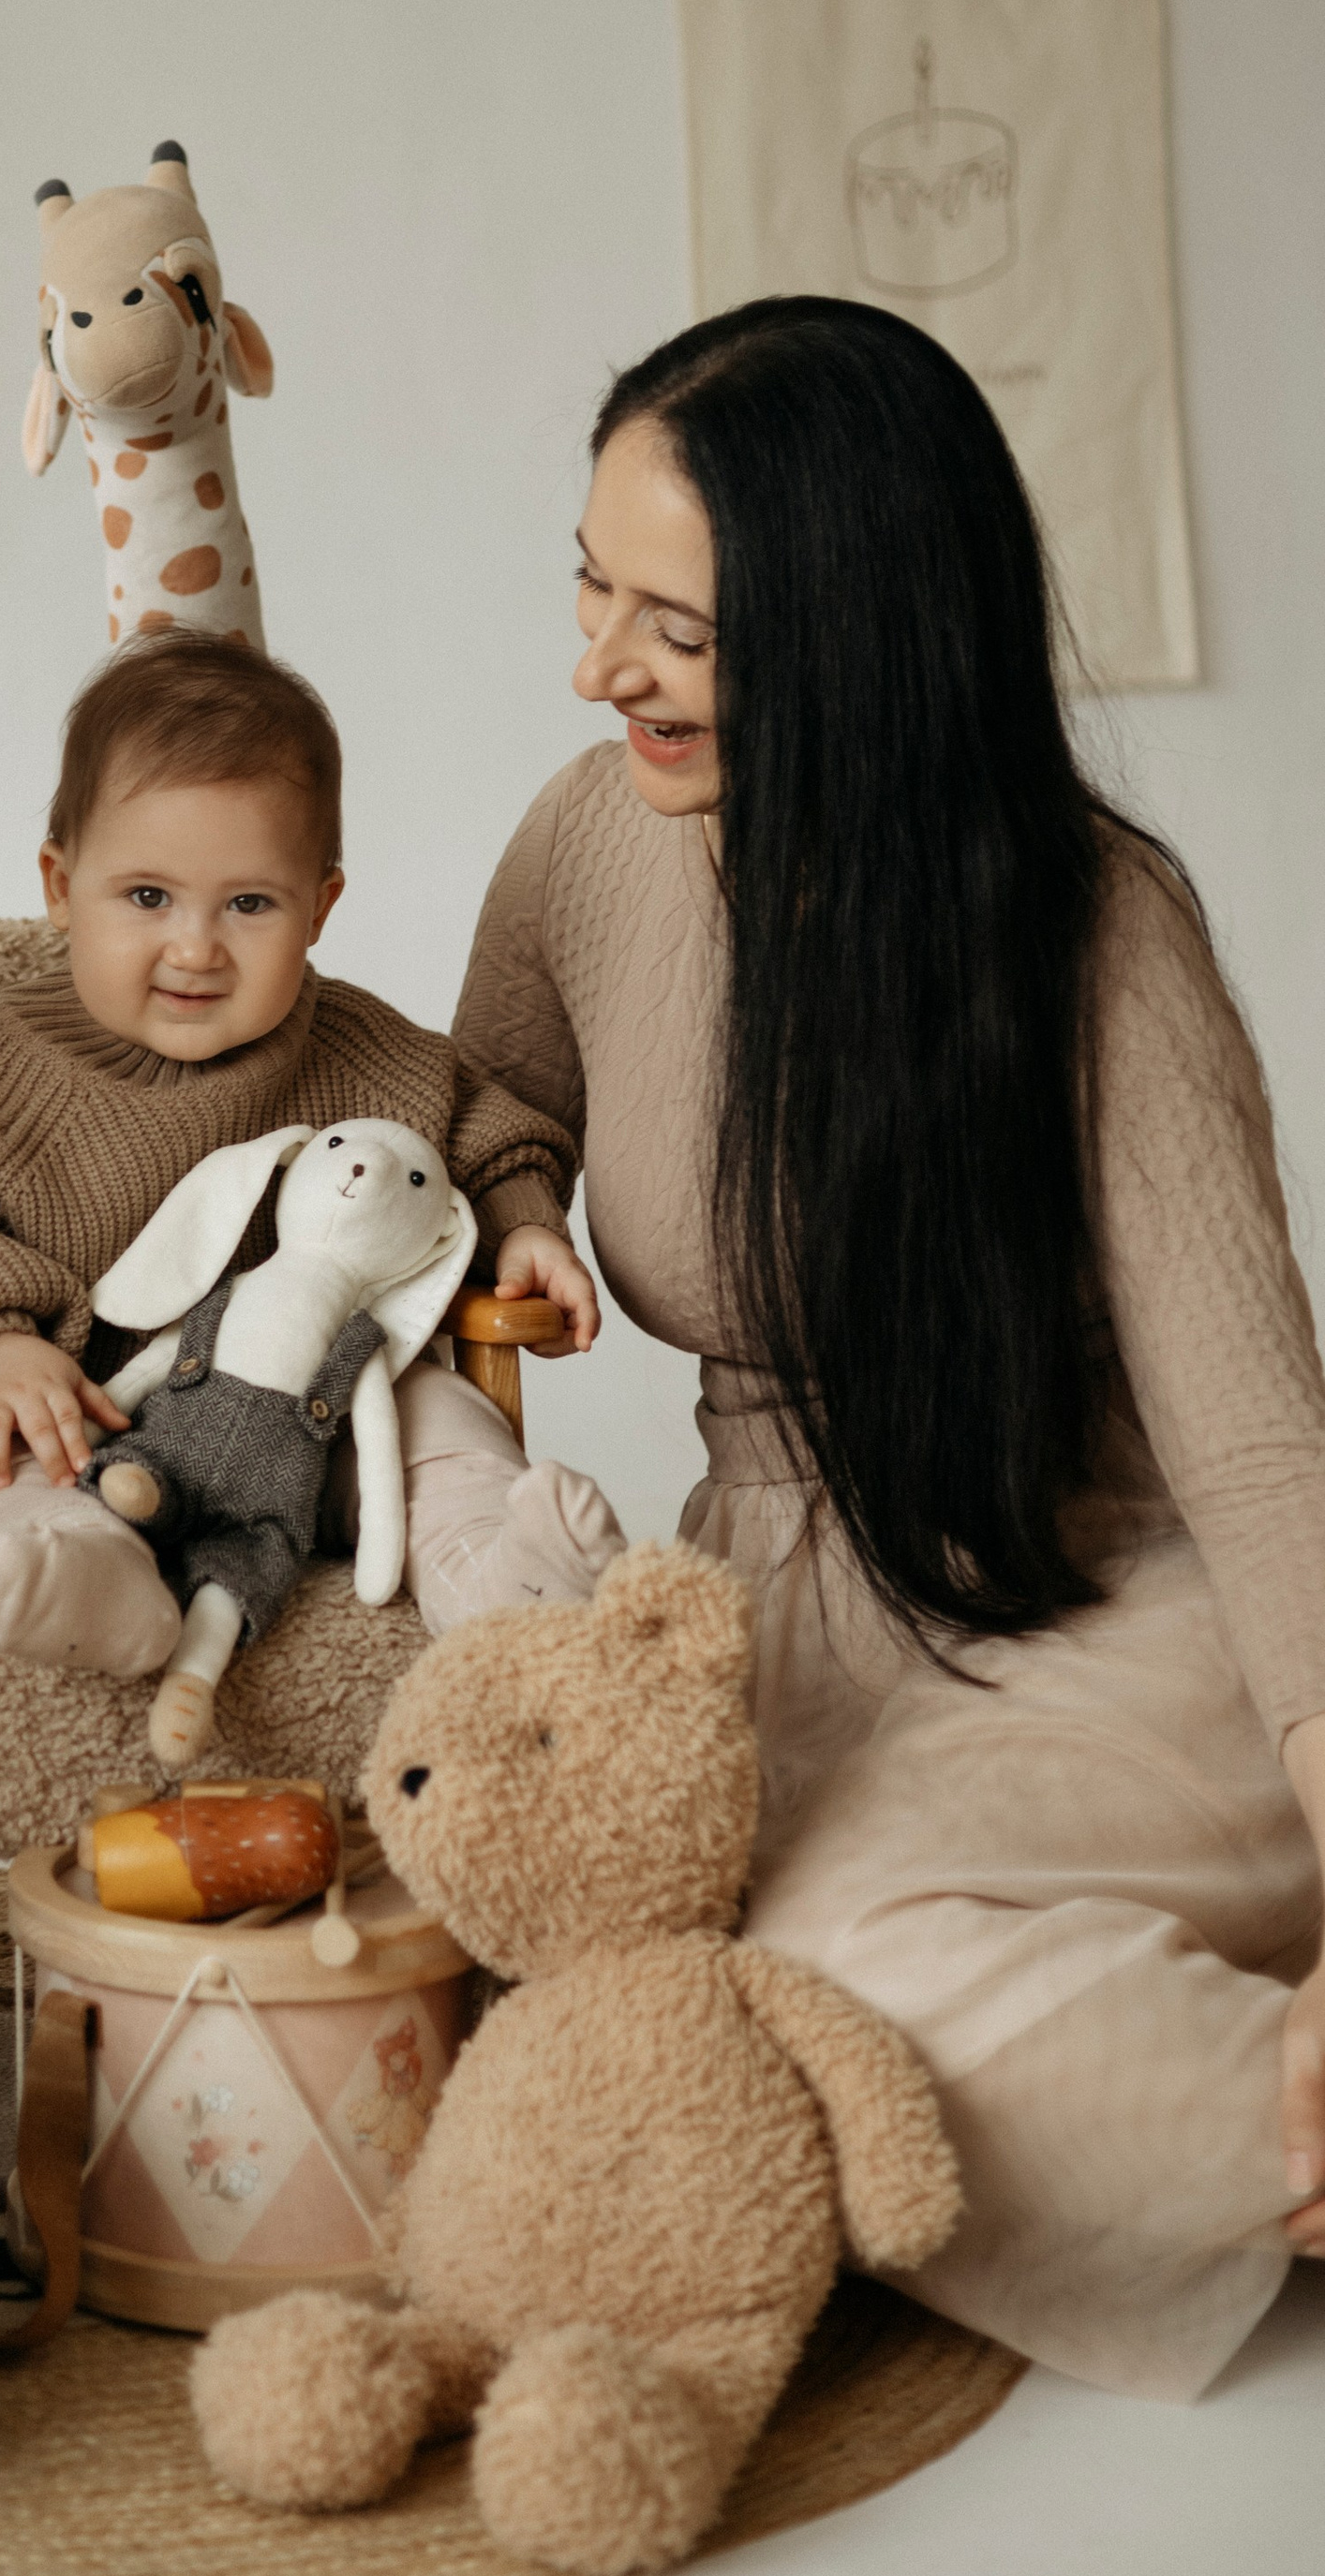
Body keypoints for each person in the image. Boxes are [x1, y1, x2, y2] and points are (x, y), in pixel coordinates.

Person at [452, 293, 1325, 2400]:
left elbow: (1259, 1456)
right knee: (641, 2009)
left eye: (674, 624)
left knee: (822, 1993)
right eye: (589, 583)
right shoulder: (595, 837)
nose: (596, 664)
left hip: (1108, 1605)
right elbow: (473, 1095)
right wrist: (511, 1209)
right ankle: (1239, 2096)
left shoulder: (1090, 930)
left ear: (858, 635)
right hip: (775, 1608)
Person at [0, 632, 623, 1718]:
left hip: (313, 1420)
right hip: (84, 1418)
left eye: (249, 905)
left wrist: (525, 1225)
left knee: (439, 1420)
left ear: (321, 906)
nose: (196, 948)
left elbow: (480, 1128)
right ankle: (75, 1567)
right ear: (60, 886)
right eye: (146, 897)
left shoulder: (358, 1049)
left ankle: (500, 1571)